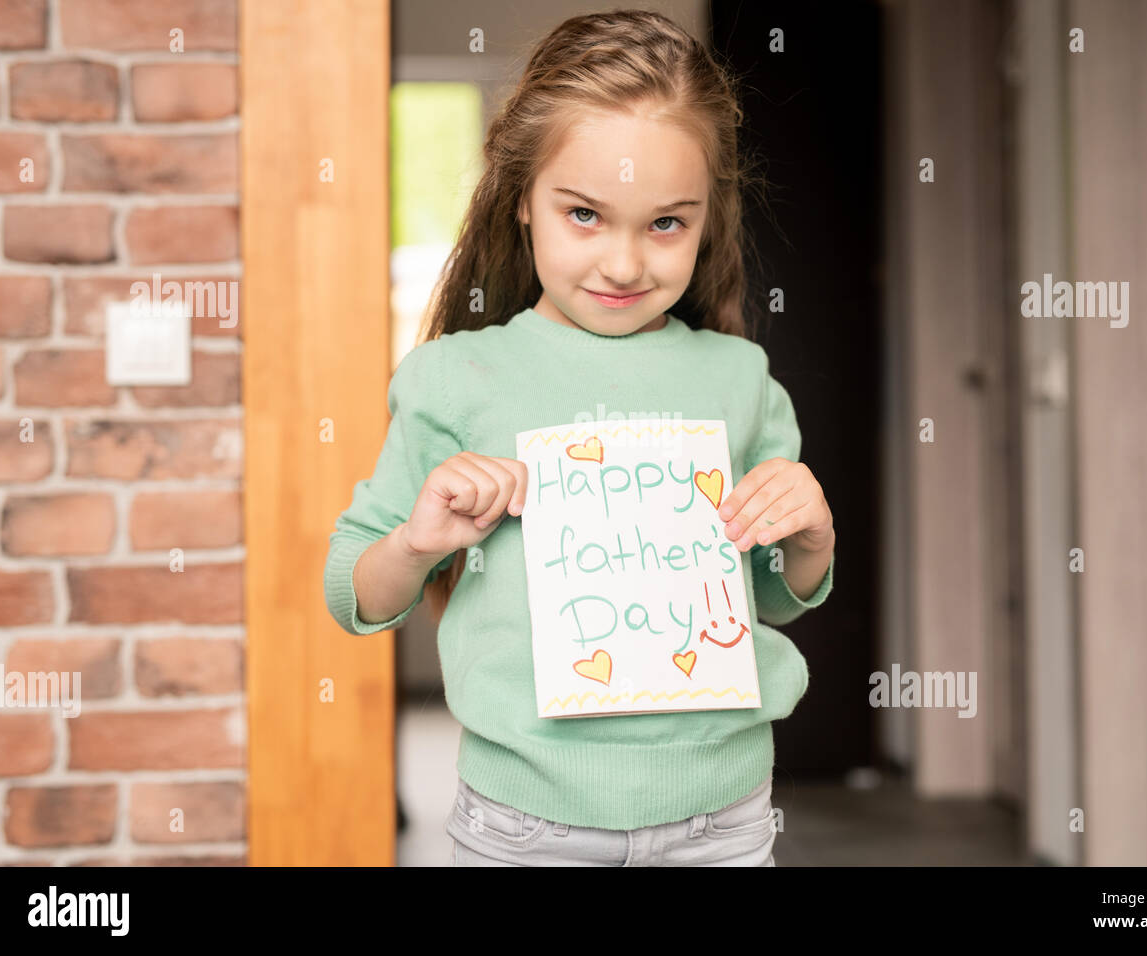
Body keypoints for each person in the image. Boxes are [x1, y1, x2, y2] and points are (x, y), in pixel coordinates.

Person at [323, 9, 836, 866]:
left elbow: (772, 598)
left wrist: (810, 542)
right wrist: (417, 542)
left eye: (666, 223)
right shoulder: (455, 377)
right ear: (522, 198)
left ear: (708, 216)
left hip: (724, 822)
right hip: (527, 828)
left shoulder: (740, 378)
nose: (625, 264)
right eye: (586, 215)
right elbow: (353, 595)